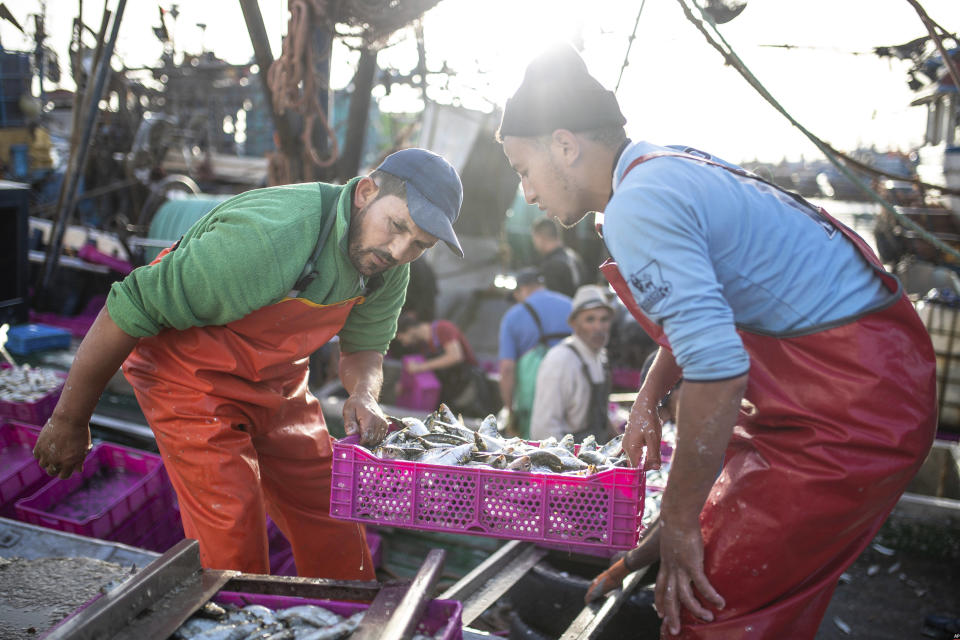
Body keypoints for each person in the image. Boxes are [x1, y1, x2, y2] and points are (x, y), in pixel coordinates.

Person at [497, 44, 936, 638]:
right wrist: (651, 398)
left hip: (848, 411)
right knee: (727, 574)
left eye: (523, 170)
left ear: (566, 145)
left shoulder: (638, 206)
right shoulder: (662, 167)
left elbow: (719, 368)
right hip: (864, 387)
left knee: (710, 608)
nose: (526, 193)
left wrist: (679, 525)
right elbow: (701, 313)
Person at [32, 148, 465, 579]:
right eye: (397, 226)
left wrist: (364, 393)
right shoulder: (270, 238)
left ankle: (348, 619)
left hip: (277, 378)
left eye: (420, 245)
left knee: (329, 503)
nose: (399, 250)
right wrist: (70, 419)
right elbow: (128, 306)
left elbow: (365, 347)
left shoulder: (388, 266)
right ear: (365, 193)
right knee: (232, 528)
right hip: (189, 376)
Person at [530, 284, 614, 442]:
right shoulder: (560, 360)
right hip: (571, 456)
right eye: (590, 319)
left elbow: (600, 416)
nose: (599, 327)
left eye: (604, 320)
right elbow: (544, 428)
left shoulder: (601, 356)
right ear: (574, 324)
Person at [497, 268, 573, 437]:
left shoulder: (513, 316)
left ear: (519, 291)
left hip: (533, 401)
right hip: (573, 391)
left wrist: (510, 411)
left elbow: (507, 368)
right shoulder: (572, 306)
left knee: (534, 455)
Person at [394, 315, 493, 416]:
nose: (404, 344)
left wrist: (420, 367)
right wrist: (404, 384)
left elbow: (455, 356)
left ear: (409, 329)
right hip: (449, 392)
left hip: (468, 388)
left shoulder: (443, 328)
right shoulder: (422, 345)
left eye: (402, 339)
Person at [531, 215, 588, 297]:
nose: (534, 243)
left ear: (540, 237)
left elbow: (554, 302)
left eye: (534, 238)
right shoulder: (574, 256)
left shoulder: (551, 266)